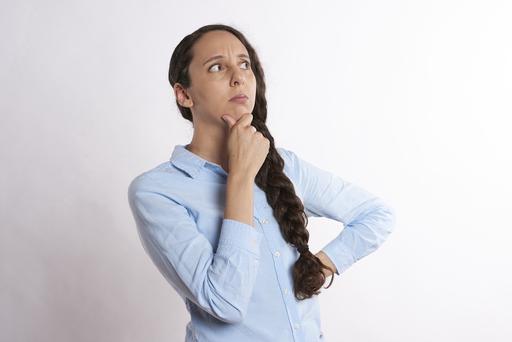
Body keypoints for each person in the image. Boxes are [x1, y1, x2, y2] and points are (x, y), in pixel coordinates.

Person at [127, 23, 396, 342]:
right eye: (217, 67)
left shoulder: (285, 166)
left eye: (244, 64)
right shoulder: (157, 192)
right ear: (184, 94)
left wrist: (320, 266)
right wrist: (240, 177)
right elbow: (225, 303)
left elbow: (376, 215)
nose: (238, 76)